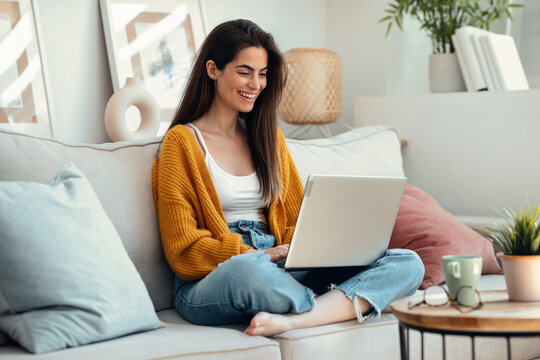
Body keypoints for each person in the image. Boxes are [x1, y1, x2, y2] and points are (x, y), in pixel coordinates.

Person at [152, 19, 424, 337]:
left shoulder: (269, 138)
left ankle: (294, 319)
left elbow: (297, 219)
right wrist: (252, 254)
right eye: (244, 71)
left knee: (407, 262)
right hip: (217, 276)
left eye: (263, 74)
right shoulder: (181, 142)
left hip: (281, 260)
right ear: (213, 70)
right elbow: (182, 249)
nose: (256, 84)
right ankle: (344, 303)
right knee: (249, 272)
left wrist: (304, 250)